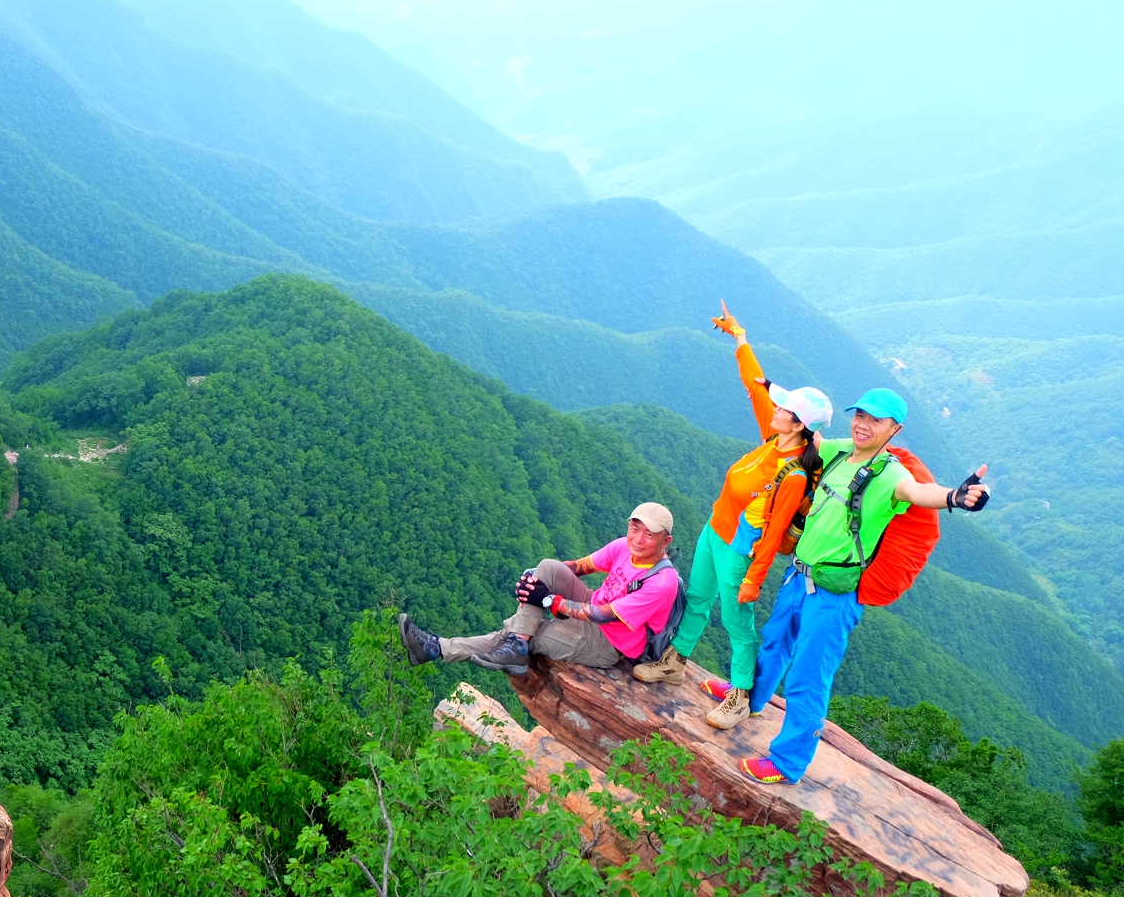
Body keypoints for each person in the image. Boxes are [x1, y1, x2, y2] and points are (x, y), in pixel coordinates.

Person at [740, 389, 992, 786]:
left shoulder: (891, 474)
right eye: (860, 414)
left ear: (895, 429)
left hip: (834, 593)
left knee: (808, 677)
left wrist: (955, 498)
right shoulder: (840, 452)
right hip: (799, 575)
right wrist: (768, 385)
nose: (863, 423)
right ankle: (748, 700)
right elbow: (804, 431)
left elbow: (918, 493)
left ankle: (787, 763)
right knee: (774, 642)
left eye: (876, 419)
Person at [632, 303, 832, 731]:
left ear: (797, 425)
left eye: (784, 407)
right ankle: (675, 662)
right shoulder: (772, 437)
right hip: (713, 531)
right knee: (698, 600)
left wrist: (753, 580)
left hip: (740, 549)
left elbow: (775, 530)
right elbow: (754, 384)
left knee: (736, 622)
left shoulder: (793, 474)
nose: (774, 406)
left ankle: (741, 696)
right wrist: (740, 337)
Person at [399, 503, 683, 674]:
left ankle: (437, 648)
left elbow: (602, 615)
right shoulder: (625, 547)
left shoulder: (661, 583)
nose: (638, 538)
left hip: (608, 643)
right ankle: (516, 646)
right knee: (547, 566)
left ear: (665, 541)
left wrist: (548, 599)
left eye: (649, 534)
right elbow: (579, 566)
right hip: (589, 606)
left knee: (525, 635)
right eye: (635, 528)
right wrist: (534, 577)